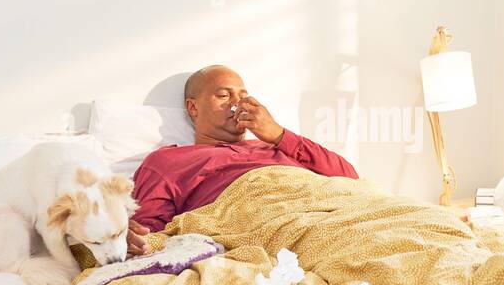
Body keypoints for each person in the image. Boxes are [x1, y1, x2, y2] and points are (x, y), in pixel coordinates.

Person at [126, 65, 357, 252]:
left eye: (243, 96)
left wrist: (279, 134)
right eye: (224, 95)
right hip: (265, 222)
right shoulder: (168, 161)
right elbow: (146, 236)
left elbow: (349, 177)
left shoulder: (276, 144)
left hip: (333, 213)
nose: (237, 104)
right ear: (193, 107)